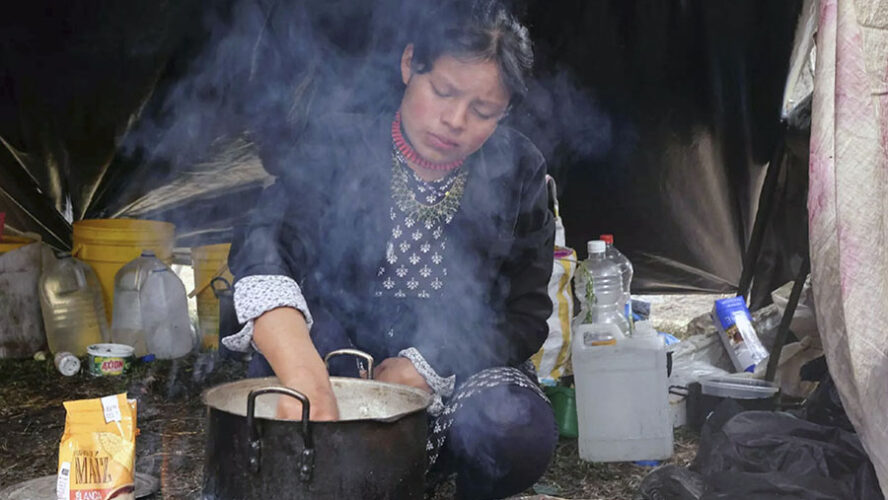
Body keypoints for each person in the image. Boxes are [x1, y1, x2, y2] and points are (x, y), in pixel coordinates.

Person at [225, 1, 557, 497]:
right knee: (301, 379)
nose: (454, 121)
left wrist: (428, 362)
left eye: (482, 111)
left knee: (516, 429)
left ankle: (437, 468)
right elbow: (270, 233)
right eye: (442, 91)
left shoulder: (519, 170)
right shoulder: (338, 142)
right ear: (409, 65)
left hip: (456, 371)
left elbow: (525, 314)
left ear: (504, 111)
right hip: (343, 357)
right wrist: (298, 361)